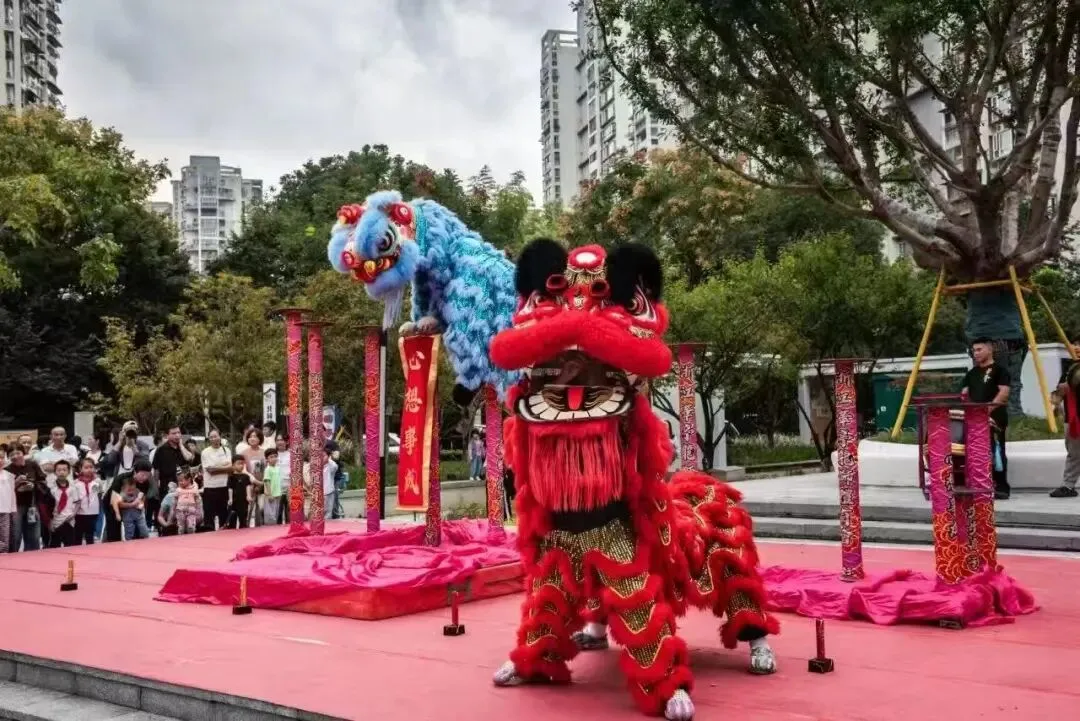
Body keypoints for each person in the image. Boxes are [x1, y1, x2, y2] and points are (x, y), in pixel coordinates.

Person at [961, 339, 1011, 500]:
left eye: (979, 349)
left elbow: (1004, 393)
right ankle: (980, 485)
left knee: (996, 450)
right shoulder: (971, 373)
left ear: (990, 350)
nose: (975, 353)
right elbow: (964, 394)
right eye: (973, 350)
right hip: (974, 420)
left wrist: (985, 411)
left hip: (995, 418)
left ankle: (1001, 486)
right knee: (977, 452)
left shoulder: (1000, 370)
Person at [151, 425, 196, 532]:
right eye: (174, 433)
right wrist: (155, 487)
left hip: (184, 486)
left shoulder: (184, 448)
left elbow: (190, 459)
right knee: (168, 512)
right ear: (168, 435)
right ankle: (166, 531)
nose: (177, 435)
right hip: (167, 485)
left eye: (179, 433)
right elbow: (156, 470)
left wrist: (181, 445)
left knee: (184, 512)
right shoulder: (161, 450)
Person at [1051, 347, 1080, 498]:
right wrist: (1056, 400)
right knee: (1074, 454)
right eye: (1075, 344)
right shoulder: (1069, 369)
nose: (1077, 347)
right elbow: (1058, 393)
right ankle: (1068, 485)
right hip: (1073, 418)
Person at [104, 459, 153, 543]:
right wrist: (131, 505)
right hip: (112, 504)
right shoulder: (121, 479)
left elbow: (142, 500)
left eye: (147, 475)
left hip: (132, 507)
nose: (145, 477)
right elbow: (115, 502)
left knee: (137, 529)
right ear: (135, 471)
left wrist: (140, 505)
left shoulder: (146, 483)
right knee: (113, 529)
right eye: (142, 475)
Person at [9, 445, 47, 551]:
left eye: (18, 453)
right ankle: (12, 557)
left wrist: (33, 485)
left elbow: (43, 481)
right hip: (15, 506)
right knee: (15, 535)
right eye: (12, 455)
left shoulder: (32, 465)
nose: (15, 456)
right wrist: (16, 485)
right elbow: (5, 490)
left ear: (23, 453)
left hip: (32, 504)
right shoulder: (7, 470)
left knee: (34, 536)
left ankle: (32, 557)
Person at [199, 429, 232, 529]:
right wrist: (224, 467)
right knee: (209, 515)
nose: (214, 439)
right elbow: (210, 470)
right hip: (210, 487)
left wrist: (216, 467)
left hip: (224, 485)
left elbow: (230, 467)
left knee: (224, 514)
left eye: (215, 436)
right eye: (211, 437)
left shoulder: (226, 450)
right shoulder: (205, 452)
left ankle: (224, 533)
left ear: (220, 436)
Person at [49, 460, 83, 547]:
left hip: (69, 520)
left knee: (69, 545)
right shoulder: (51, 488)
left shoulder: (72, 488)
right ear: (55, 472)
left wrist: (73, 514)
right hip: (56, 520)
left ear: (68, 472)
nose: (62, 472)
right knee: (54, 546)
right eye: (59, 470)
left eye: (64, 470)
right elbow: (48, 506)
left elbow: (78, 502)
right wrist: (50, 521)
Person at [238, 429, 266, 526]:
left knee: (261, 509)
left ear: (260, 439)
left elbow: (266, 469)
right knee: (248, 510)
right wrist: (253, 483)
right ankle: (246, 529)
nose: (252, 439)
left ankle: (260, 528)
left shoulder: (264, 452)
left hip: (262, 484)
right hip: (248, 486)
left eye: (255, 436)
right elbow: (241, 470)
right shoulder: (243, 453)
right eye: (250, 436)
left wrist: (260, 484)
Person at [72, 457, 102, 544]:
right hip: (79, 512)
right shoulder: (76, 483)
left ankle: (90, 550)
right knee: (78, 534)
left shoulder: (97, 482)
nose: (89, 469)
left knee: (90, 534)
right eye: (86, 467)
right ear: (80, 469)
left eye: (91, 467)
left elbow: (98, 494)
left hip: (92, 512)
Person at [114, 474, 150, 541]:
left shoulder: (137, 491)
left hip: (138, 514)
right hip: (127, 516)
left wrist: (141, 504)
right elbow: (120, 504)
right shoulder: (122, 494)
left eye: (133, 489)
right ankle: (129, 540)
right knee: (129, 530)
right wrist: (131, 504)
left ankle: (146, 538)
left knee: (143, 528)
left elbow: (142, 499)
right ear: (123, 488)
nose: (131, 492)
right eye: (129, 490)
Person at [227, 455, 252, 529]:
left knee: (243, 519)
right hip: (234, 501)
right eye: (239, 463)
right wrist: (230, 499)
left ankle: (243, 531)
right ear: (233, 465)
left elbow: (248, 486)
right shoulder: (231, 477)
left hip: (243, 501)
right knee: (232, 519)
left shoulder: (246, 476)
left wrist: (248, 496)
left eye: (242, 463)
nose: (241, 465)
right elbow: (230, 488)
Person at [0, 446, 15, 553]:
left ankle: (4, 555)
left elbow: (12, 494)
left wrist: (13, 510)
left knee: (4, 537)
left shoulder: (9, 475)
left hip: (5, 511)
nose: (0, 460)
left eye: (2, 457)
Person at [262, 448, 283, 525]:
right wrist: (270, 494)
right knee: (270, 514)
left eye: (275, 456)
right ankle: (269, 527)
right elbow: (267, 482)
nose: (274, 458)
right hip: (271, 495)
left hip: (277, 494)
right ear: (267, 459)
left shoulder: (278, 468)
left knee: (276, 513)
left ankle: (274, 527)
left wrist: (280, 492)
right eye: (271, 457)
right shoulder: (268, 469)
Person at [273, 435, 291, 524]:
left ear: (287, 442)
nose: (279, 442)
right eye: (277, 440)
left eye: (282, 440)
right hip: (276, 488)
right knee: (277, 514)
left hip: (289, 487)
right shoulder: (272, 455)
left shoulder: (291, 454)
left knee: (289, 514)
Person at [323, 444, 339, 521]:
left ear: (328, 456)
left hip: (328, 491)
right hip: (319, 493)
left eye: (324, 456)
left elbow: (335, 467)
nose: (322, 458)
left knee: (328, 513)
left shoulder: (331, 466)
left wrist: (329, 459)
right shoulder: (316, 466)